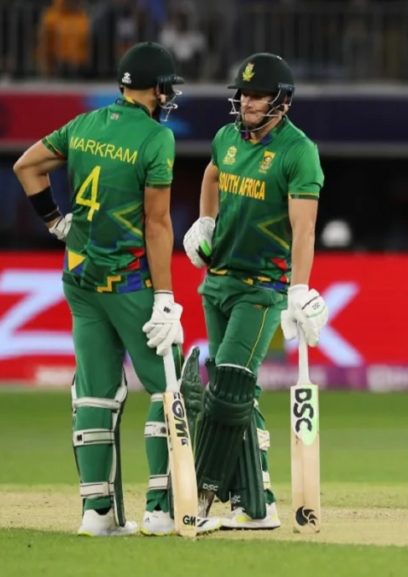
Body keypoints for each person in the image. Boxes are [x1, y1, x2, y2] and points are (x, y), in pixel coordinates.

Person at [12, 42, 219, 536]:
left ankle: (97, 514)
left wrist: (56, 222)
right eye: (166, 88)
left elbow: (26, 167)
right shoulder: (155, 138)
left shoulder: (83, 124)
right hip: (128, 283)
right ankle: (161, 511)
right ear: (155, 89)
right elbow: (157, 223)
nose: (168, 96)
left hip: (79, 279)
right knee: (170, 388)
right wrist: (165, 297)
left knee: (94, 393)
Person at [182, 52, 327, 529]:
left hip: (262, 288)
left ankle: (203, 495)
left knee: (228, 386)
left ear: (281, 102)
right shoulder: (226, 138)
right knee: (241, 394)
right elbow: (211, 174)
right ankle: (255, 503)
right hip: (217, 280)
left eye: (258, 95)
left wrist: (299, 289)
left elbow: (304, 229)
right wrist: (206, 221)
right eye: (243, 94)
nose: (247, 102)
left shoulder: (298, 151)